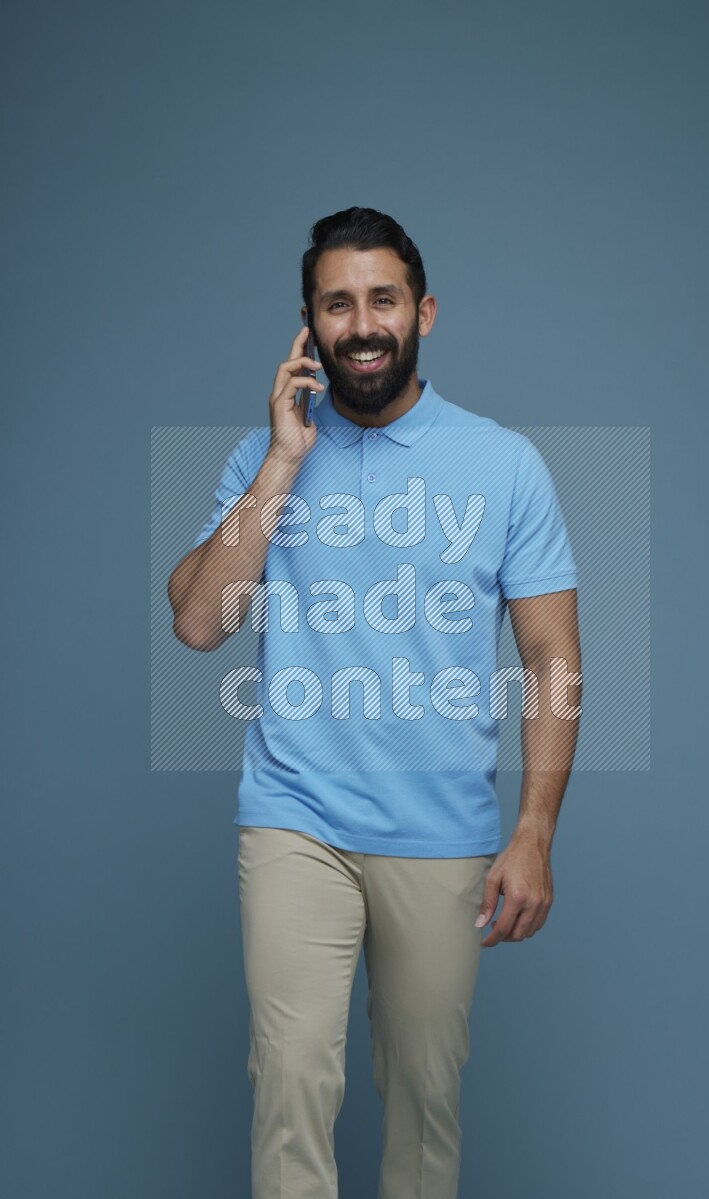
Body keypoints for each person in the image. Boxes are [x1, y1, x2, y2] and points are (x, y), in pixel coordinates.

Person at [167, 207, 582, 1199]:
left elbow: (549, 656)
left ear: (422, 312)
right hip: (293, 818)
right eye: (337, 302)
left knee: (423, 1102)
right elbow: (197, 623)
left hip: (440, 830)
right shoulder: (263, 461)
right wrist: (279, 459)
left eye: (382, 299)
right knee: (292, 1085)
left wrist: (532, 831)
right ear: (307, 325)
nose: (362, 322)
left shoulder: (502, 463)